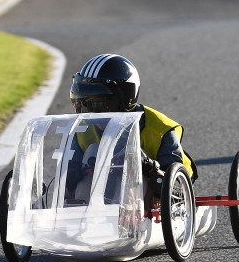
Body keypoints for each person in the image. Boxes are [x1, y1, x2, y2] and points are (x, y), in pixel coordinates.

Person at [68, 53, 196, 193]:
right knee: (82, 182)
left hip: (156, 188)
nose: (91, 113)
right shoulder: (83, 131)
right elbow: (69, 183)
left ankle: (128, 212)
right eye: (82, 104)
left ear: (126, 97)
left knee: (131, 175)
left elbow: (174, 186)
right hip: (105, 183)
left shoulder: (160, 129)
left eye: (99, 103)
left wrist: (147, 166)